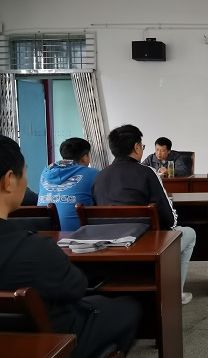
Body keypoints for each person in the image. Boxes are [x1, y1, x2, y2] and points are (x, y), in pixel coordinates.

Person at [0, 135, 141, 358]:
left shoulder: (47, 172)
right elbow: (76, 288)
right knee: (130, 307)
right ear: (9, 180)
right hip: (56, 342)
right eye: (25, 172)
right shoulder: (35, 249)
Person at [92, 124, 196, 304]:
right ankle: (175, 294)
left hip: (106, 245)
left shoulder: (100, 176)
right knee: (189, 233)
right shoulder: (147, 173)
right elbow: (168, 219)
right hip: (143, 244)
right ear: (136, 147)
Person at [37, 137, 99, 231]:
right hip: (77, 235)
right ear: (85, 158)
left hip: (45, 234)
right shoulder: (92, 173)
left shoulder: (45, 174)